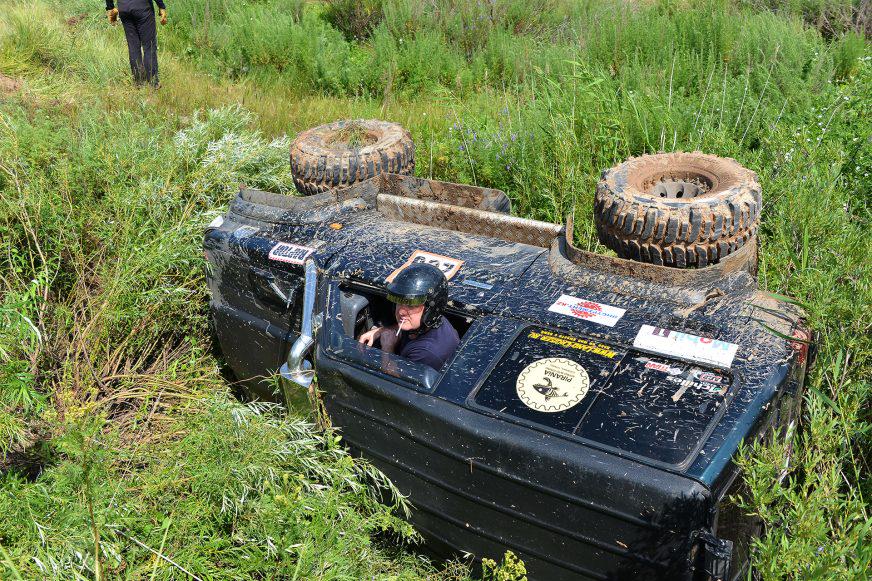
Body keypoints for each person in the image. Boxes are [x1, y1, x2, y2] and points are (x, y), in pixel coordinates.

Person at [358, 263, 460, 371]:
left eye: (412, 305)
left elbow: (394, 377)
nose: (401, 312)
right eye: (399, 302)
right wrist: (382, 331)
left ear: (430, 309)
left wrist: (387, 347)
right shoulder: (428, 323)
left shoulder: (427, 353)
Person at [106, 0, 167, 88]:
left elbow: (111, 6)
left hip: (124, 8)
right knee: (149, 46)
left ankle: (138, 82)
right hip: (143, 7)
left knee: (133, 46)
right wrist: (161, 6)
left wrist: (110, 7)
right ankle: (153, 83)